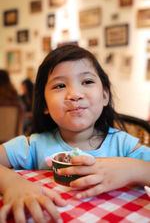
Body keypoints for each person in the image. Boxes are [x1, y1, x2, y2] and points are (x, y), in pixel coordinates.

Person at [0, 44, 150, 223]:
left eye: (87, 81)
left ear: (104, 95)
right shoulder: (33, 145)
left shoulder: (123, 145)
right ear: (45, 105)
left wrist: (133, 169)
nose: (75, 94)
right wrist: (12, 183)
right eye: (60, 85)